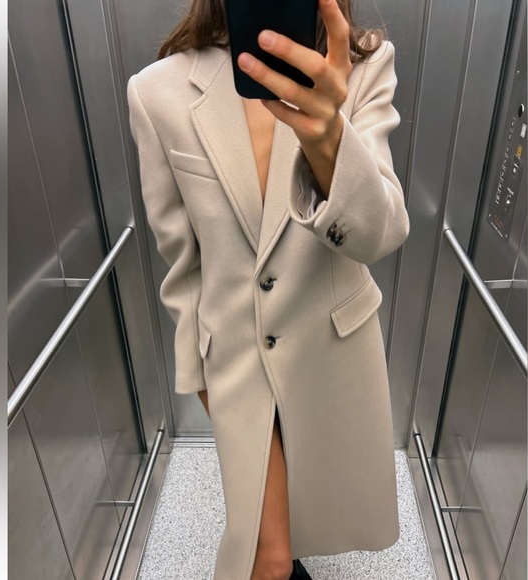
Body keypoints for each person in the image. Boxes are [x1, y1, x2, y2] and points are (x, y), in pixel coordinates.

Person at [126, 0, 410, 578]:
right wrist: (197, 374)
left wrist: (329, 136)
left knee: (302, 517)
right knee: (267, 556)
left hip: (330, 354)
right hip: (234, 367)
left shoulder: (362, 67)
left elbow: (379, 236)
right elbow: (181, 265)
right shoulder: (156, 92)